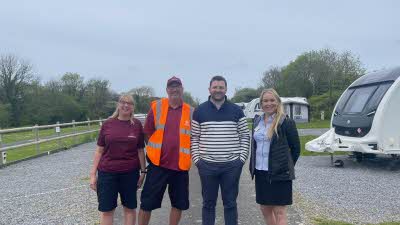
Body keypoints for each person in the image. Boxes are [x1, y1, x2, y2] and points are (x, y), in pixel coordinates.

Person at [191, 75, 250, 225]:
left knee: (230, 204)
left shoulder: (237, 111)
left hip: (231, 166)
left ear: (226, 89)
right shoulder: (199, 111)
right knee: (208, 204)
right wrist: (198, 160)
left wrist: (241, 159)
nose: (218, 90)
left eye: (221, 87)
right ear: (209, 89)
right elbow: (194, 138)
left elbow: (244, 136)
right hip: (207, 166)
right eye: (215, 87)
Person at [138, 76, 194, 225]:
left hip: (180, 167)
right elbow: (147, 132)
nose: (174, 89)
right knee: (147, 203)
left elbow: (195, 137)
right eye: (171, 87)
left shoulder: (191, 111)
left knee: (178, 203)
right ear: (167, 90)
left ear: (182, 89)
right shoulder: (157, 107)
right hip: (158, 165)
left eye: (177, 86)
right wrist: (153, 150)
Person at [89, 94, 146, 225]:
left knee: (130, 208)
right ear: (118, 105)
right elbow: (99, 150)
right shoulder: (108, 124)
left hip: (130, 173)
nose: (126, 105)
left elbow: (140, 150)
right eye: (123, 102)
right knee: (107, 210)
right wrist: (92, 175)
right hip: (107, 173)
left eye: (130, 103)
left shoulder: (137, 125)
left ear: (133, 107)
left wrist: (143, 172)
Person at [249, 88, 300, 225]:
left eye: (272, 100)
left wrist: (285, 166)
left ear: (278, 102)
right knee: (265, 208)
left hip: (279, 174)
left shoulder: (286, 122)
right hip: (260, 172)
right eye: (265, 101)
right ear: (261, 103)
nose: (268, 103)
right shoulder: (257, 122)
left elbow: (296, 149)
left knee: (279, 211)